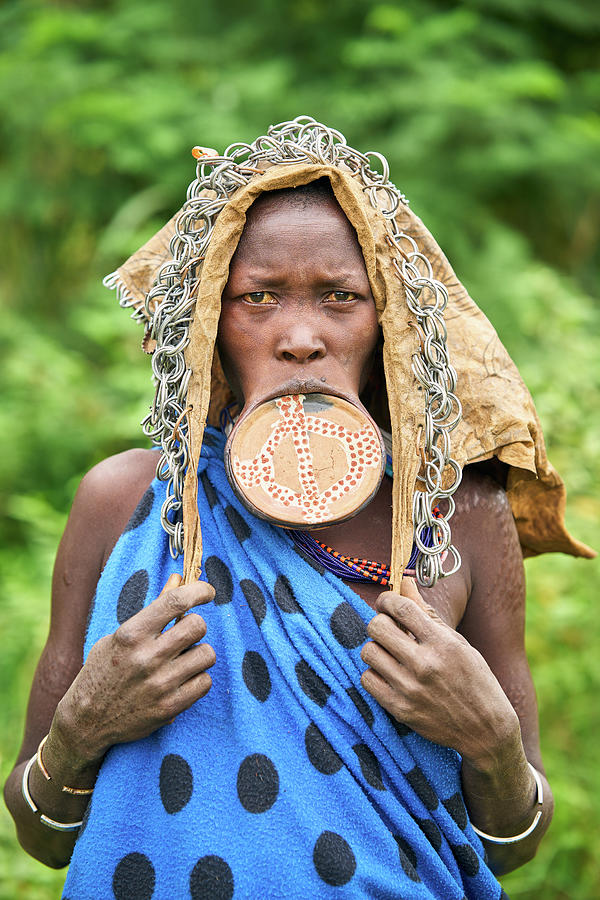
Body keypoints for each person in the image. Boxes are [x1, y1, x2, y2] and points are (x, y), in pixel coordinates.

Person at [4, 117, 594, 899]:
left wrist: (491, 745)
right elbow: (41, 837)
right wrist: (81, 730)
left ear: (391, 324)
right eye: (259, 299)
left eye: (341, 297)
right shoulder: (123, 503)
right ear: (209, 324)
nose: (301, 337)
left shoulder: (456, 515)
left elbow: (515, 847)